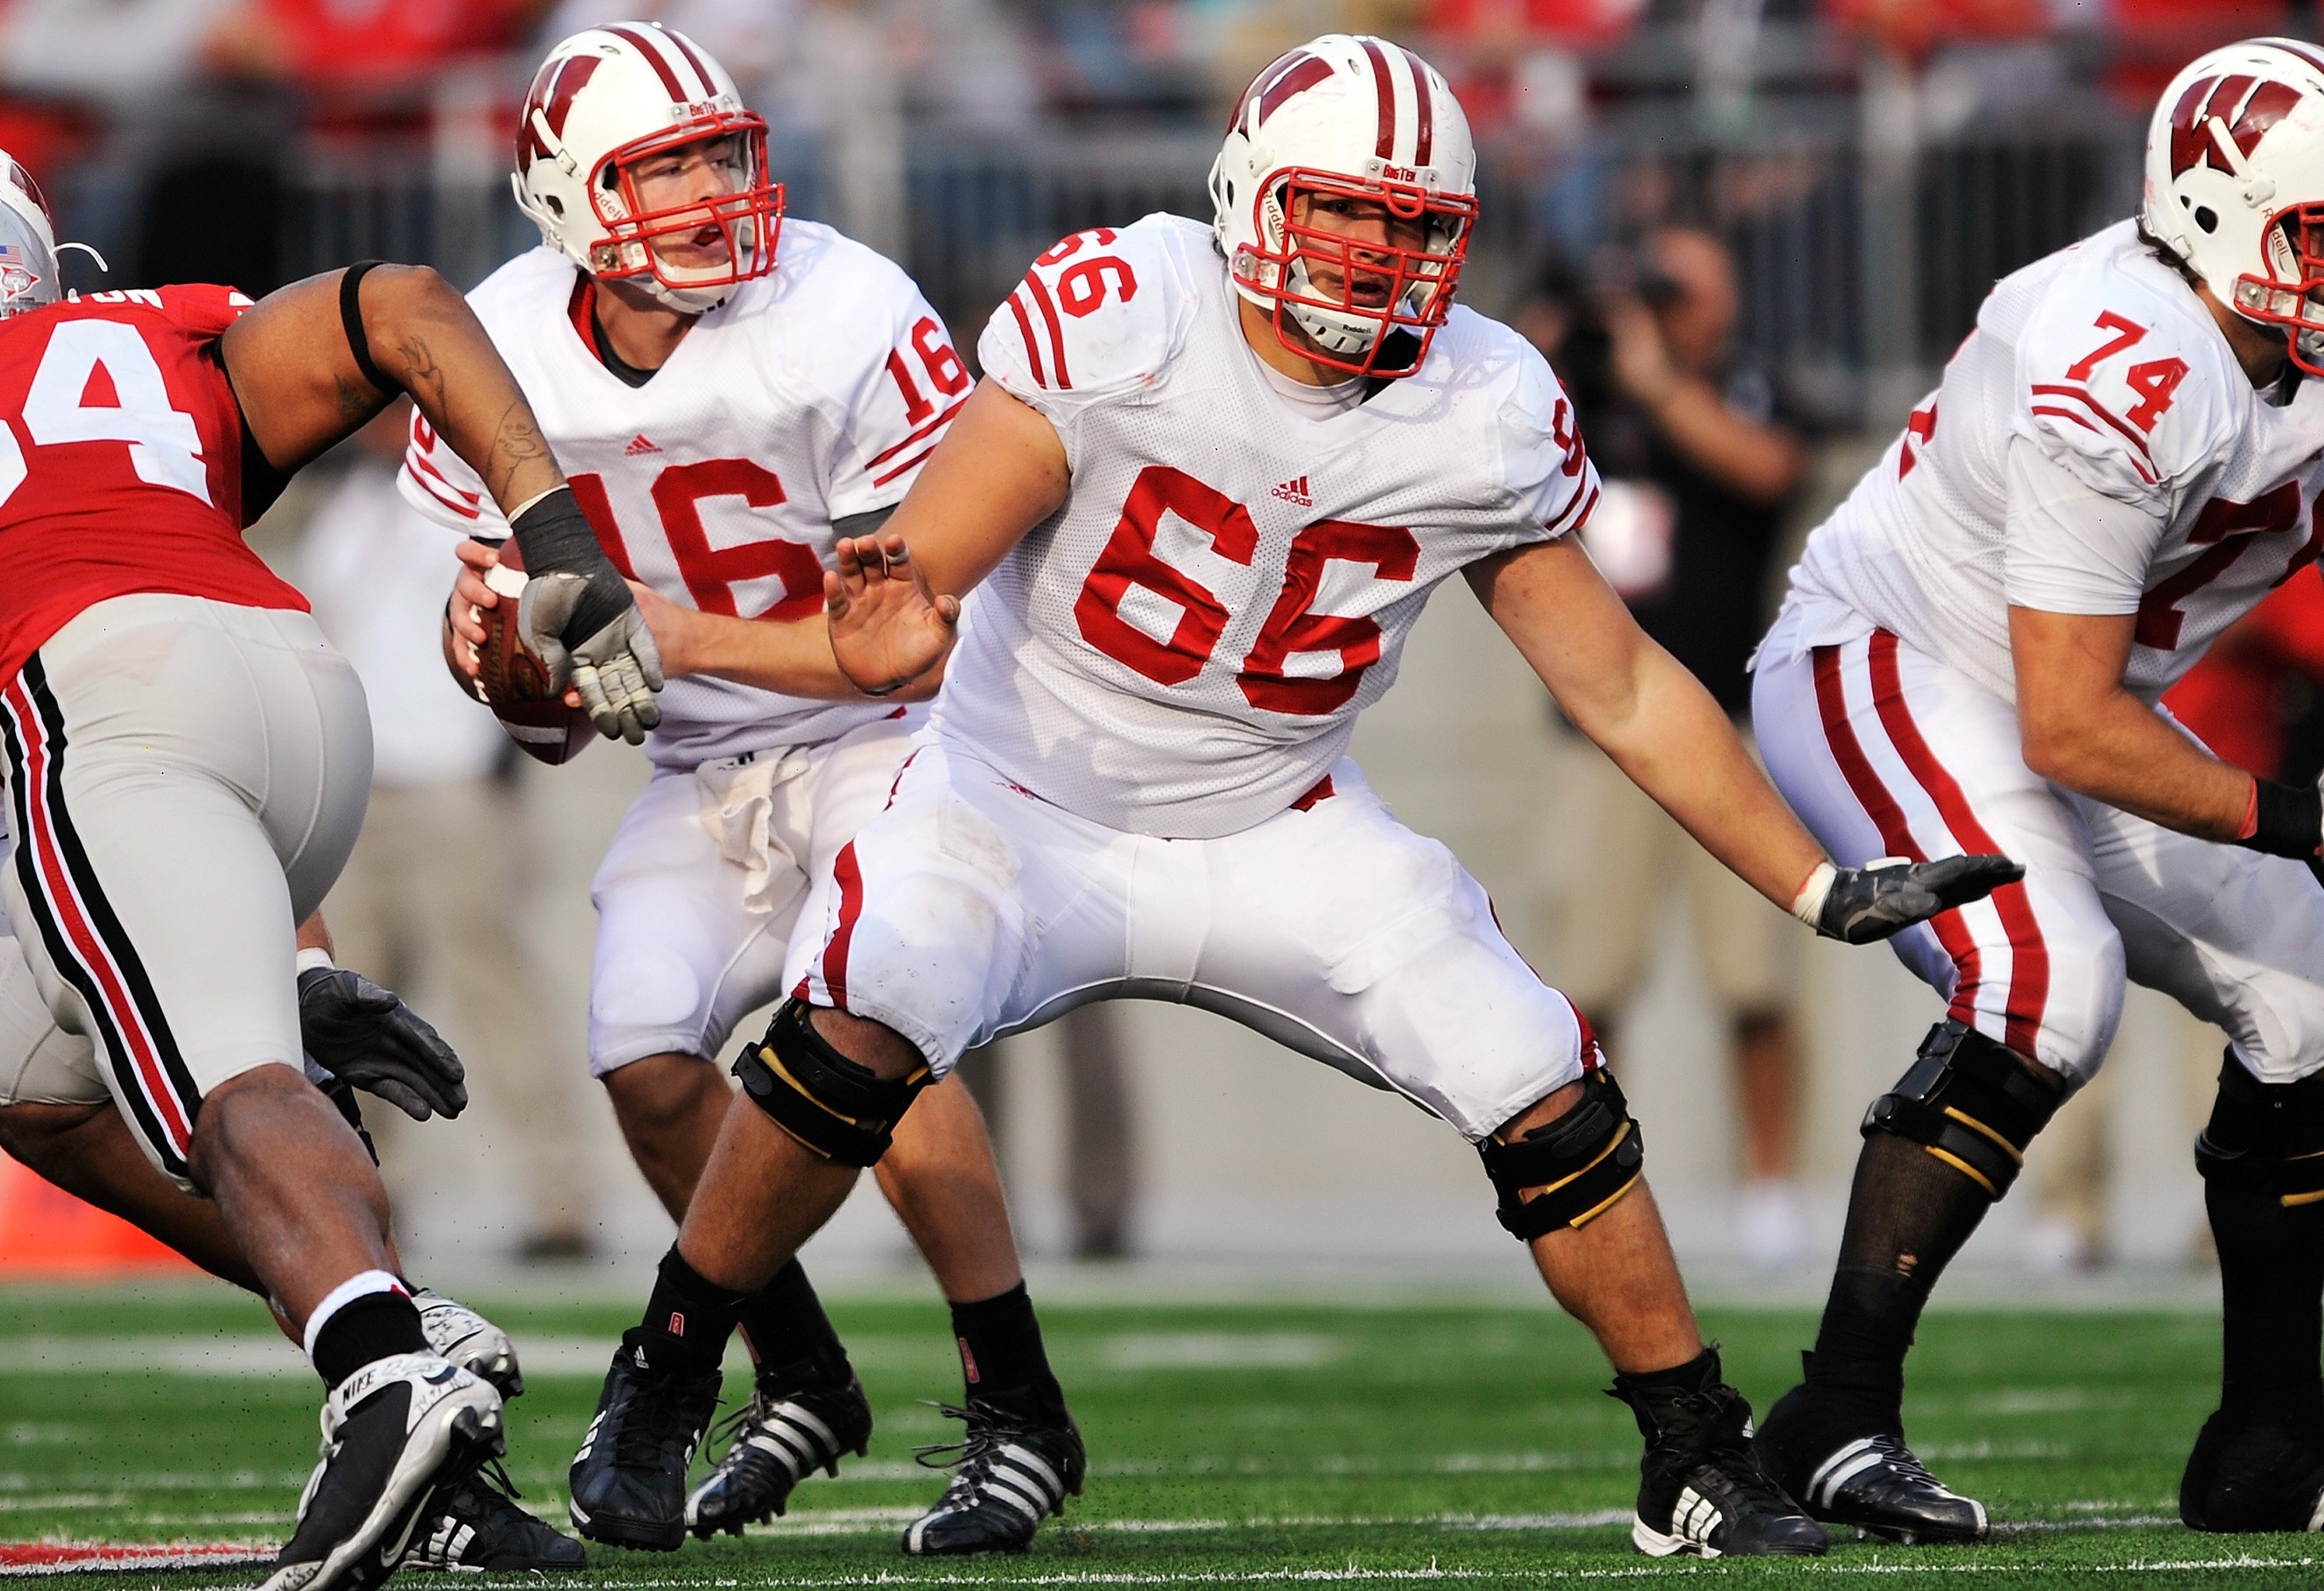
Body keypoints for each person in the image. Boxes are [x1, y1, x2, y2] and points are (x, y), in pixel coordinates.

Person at [577, 33, 2016, 1560]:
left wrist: (1811, 883)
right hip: (1017, 796)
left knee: (1532, 1060)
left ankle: (1695, 1453)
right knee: (867, 995)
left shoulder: (1485, 401)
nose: (1382, 254)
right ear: (1252, 196)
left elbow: (1626, 686)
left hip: (1283, 820)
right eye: (1345, 211)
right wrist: (893, 614)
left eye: (1417, 227)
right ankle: (662, 1381)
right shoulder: (1126, 308)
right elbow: (920, 571)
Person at [0, 158, 656, 1584]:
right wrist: (555, 534)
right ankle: (396, 1340)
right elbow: (403, 303)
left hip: (91, 713)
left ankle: (385, 1372)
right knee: (40, 1089)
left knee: (225, 1086)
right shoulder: (150, 331)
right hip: (296, 698)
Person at [422, 21, 1072, 1556]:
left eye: (726, 154)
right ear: (568, 198)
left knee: (879, 1014)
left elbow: (909, 648)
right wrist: (517, 669)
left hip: (899, 738)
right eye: (666, 168)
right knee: (644, 1058)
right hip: (705, 755)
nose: (716, 193)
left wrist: (663, 638)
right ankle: (801, 1375)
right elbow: (534, 704)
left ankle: (1019, 1405)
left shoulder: (839, 309)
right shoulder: (494, 340)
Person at [1746, 35, 2324, 1544]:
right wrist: (2301, 812)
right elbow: (2067, 729)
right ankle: (1837, 1410)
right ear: (2209, 214)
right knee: (2045, 984)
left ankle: (2275, 1436)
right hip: (1892, 659)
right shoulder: (2117, 353)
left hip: (2074, 697)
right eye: (2317, 233)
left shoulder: (2281, 343)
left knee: (2316, 989)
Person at [1526, 227, 1815, 1266]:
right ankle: (1598, 1178)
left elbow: (1771, 469)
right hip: (1597, 734)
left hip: (1728, 727)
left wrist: (1656, 384)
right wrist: (1560, 347)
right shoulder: (1585, 391)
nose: (1666, 306)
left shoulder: (1747, 389)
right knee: (1589, 980)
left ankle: (1771, 1186)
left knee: (1754, 982)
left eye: (1682, 286)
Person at [302, 403, 598, 1263]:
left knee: (493, 981)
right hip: (365, 782)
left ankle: (559, 1193)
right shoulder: (346, 510)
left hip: (455, 777)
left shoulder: (481, 512)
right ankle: (372, 1203)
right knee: (354, 1001)